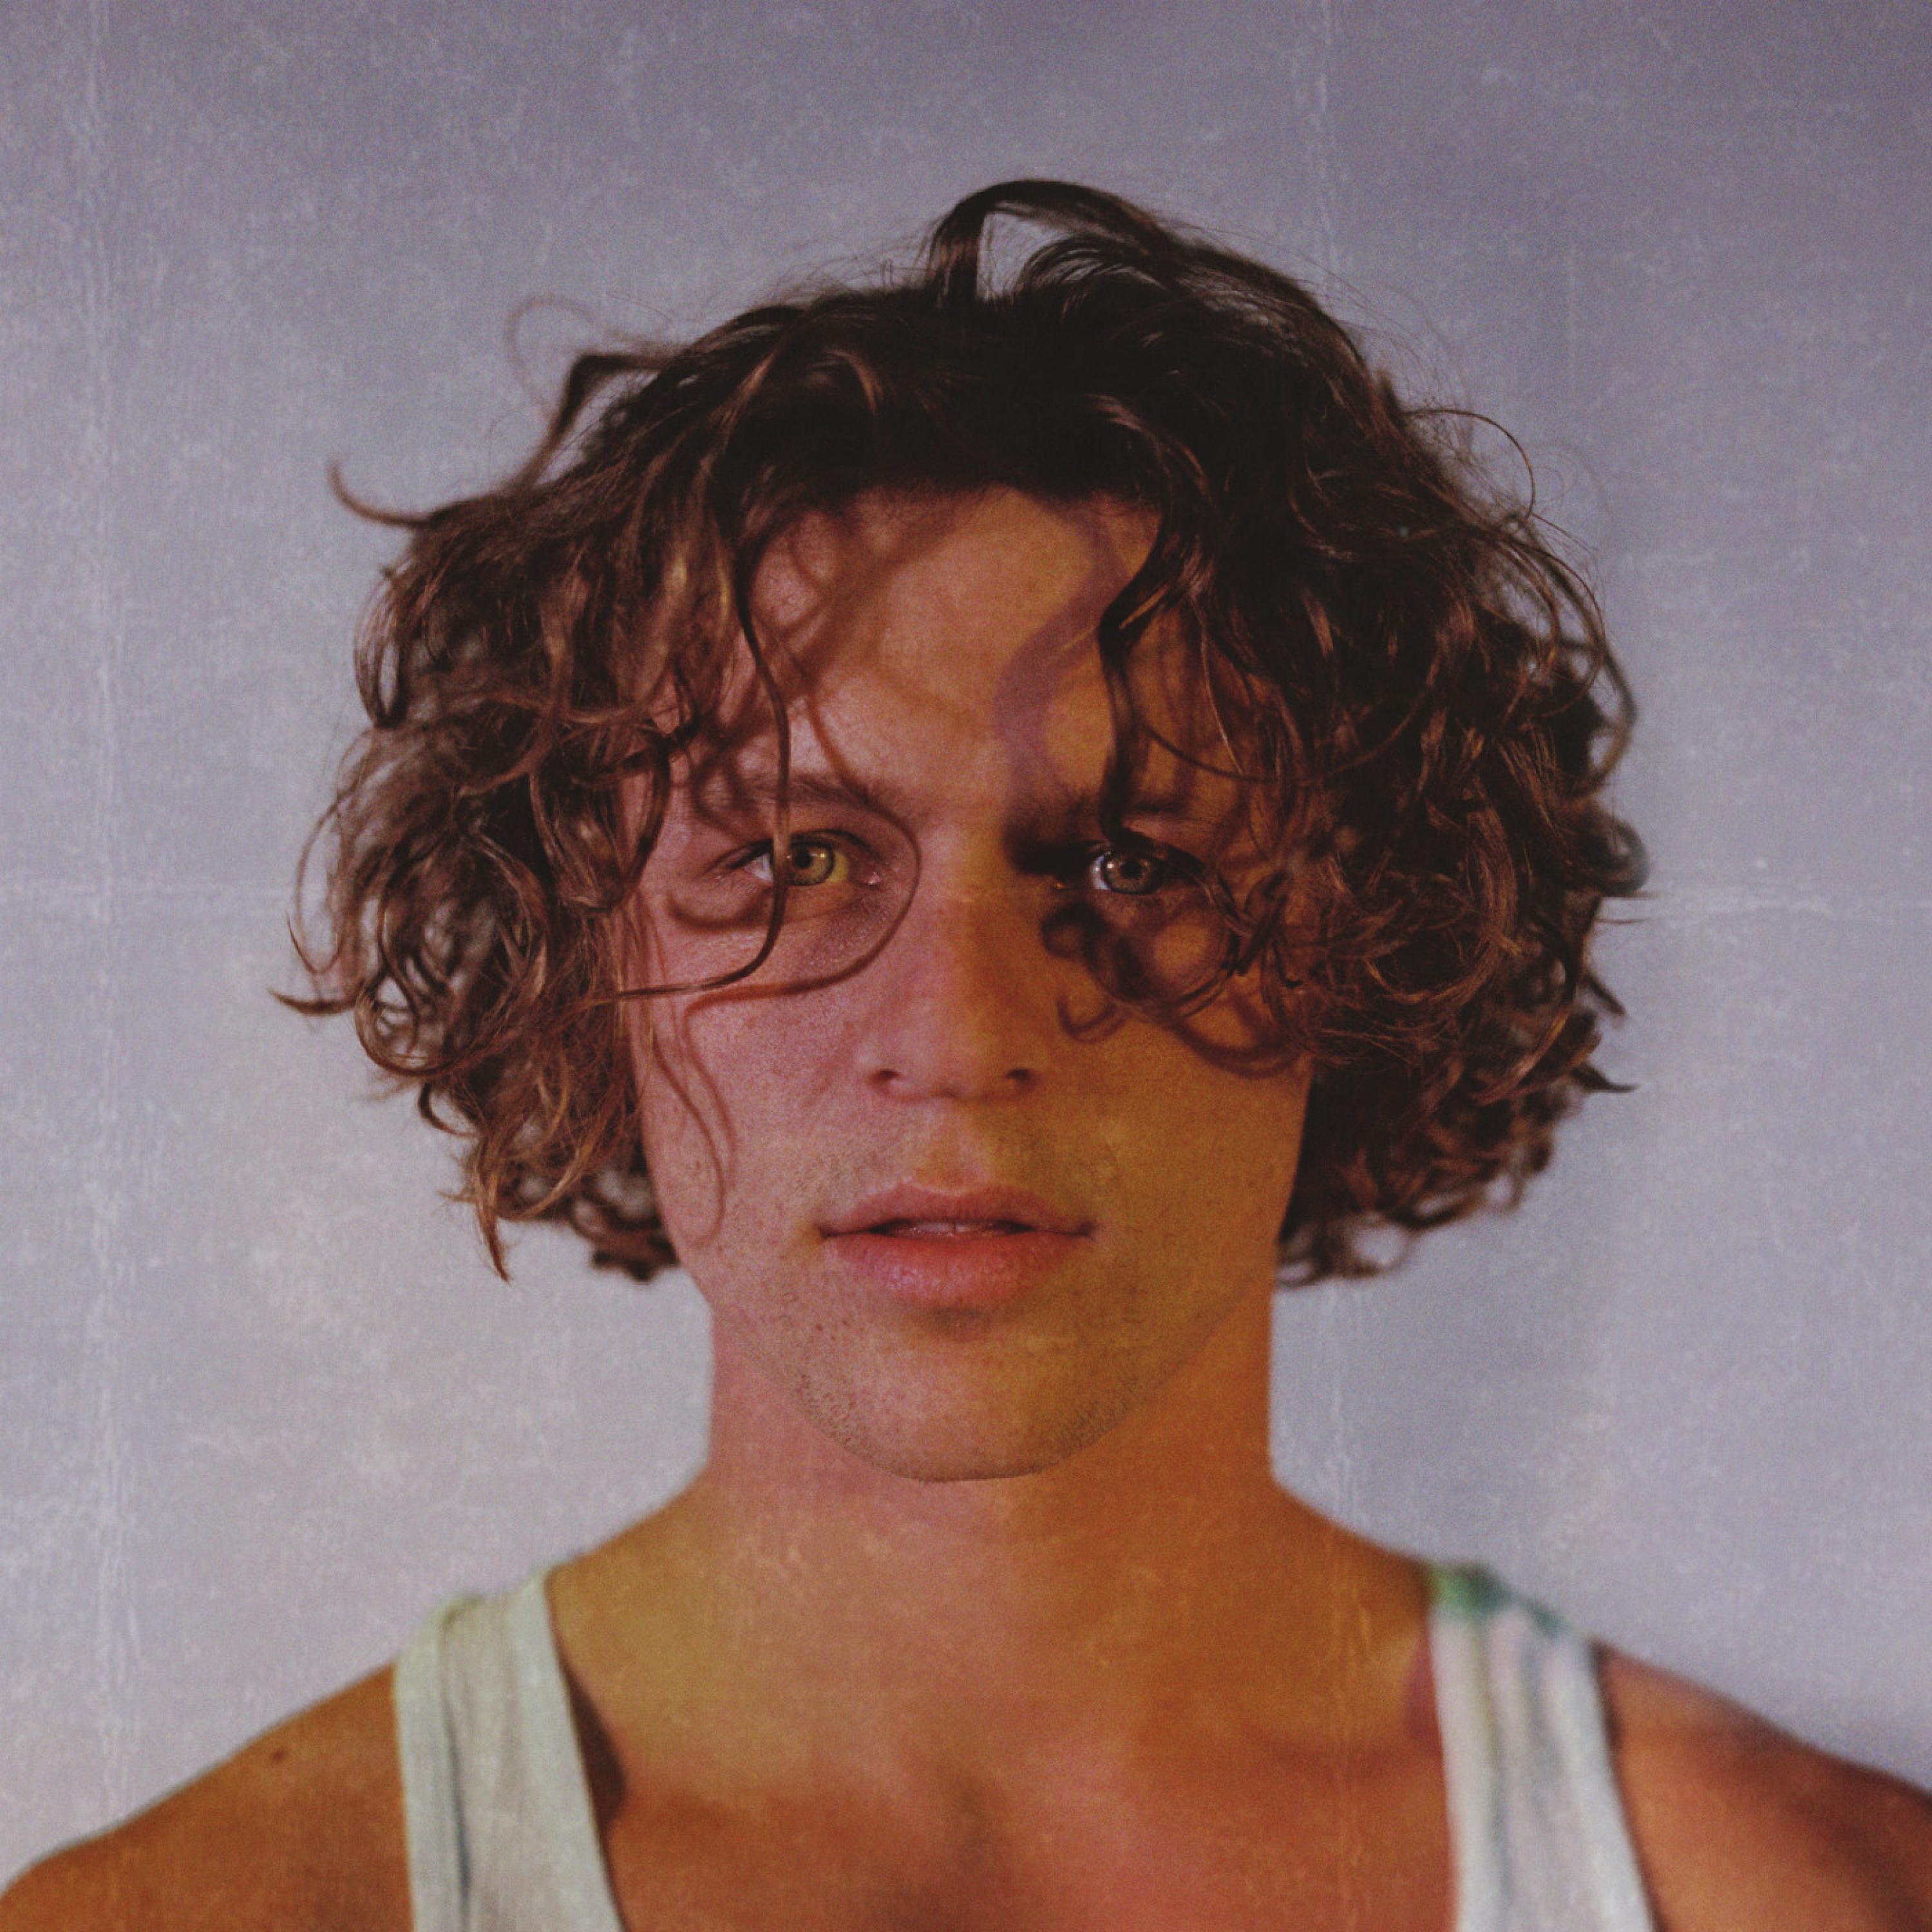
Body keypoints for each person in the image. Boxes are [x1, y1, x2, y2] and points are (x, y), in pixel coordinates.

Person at [5, 179, 1929, 1932]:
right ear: (579, 957)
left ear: (1380, 941)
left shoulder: (1792, 1895)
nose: (956, 1036)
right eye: (795, 861)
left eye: (1129, 859)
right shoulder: (204, 1914)